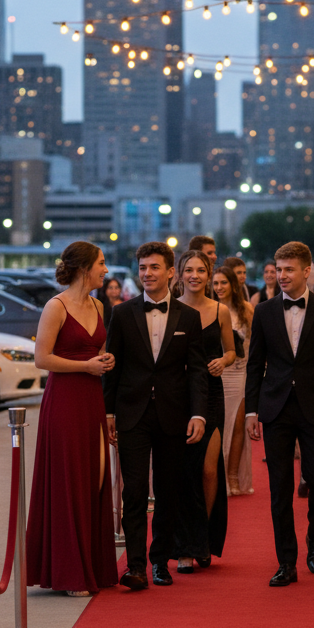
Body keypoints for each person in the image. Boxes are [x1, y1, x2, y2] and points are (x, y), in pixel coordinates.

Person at [103, 242, 208, 590]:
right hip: (132, 414)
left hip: (173, 414)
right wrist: (108, 412)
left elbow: (196, 371)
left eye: (153, 268)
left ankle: (159, 561)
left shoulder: (189, 318)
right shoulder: (121, 313)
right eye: (142, 268)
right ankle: (135, 567)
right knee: (133, 491)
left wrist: (199, 415)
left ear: (170, 273)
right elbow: (112, 369)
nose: (146, 274)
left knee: (168, 492)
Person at [245, 241, 314, 586]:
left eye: (289, 269)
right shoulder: (264, 311)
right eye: (278, 268)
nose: (281, 275)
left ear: (307, 271)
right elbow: (255, 363)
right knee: (279, 488)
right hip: (275, 408)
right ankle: (286, 562)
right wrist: (251, 410)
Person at [26, 242, 118, 596]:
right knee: (69, 481)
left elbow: (95, 349)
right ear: (83, 268)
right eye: (101, 263)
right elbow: (42, 359)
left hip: (91, 398)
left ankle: (91, 565)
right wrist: (86, 365)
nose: (105, 270)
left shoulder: (98, 304)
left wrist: (103, 359)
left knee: (95, 477)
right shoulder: (56, 306)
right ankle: (68, 572)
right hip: (64, 401)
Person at [171, 250, 235, 571]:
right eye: (189, 270)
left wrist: (223, 361)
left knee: (210, 470)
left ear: (209, 276)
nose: (195, 275)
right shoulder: (171, 310)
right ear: (179, 274)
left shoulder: (220, 311)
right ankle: (184, 545)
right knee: (183, 473)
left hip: (211, 395)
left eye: (201, 270)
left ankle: (204, 539)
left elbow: (232, 350)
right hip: (178, 398)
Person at [213, 266, 255, 495]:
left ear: (233, 285)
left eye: (223, 283)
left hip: (239, 373)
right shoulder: (209, 308)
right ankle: (217, 477)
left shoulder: (245, 309)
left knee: (238, 426)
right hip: (217, 373)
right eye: (215, 283)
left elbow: (252, 344)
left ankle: (233, 476)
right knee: (219, 427)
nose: (219, 288)